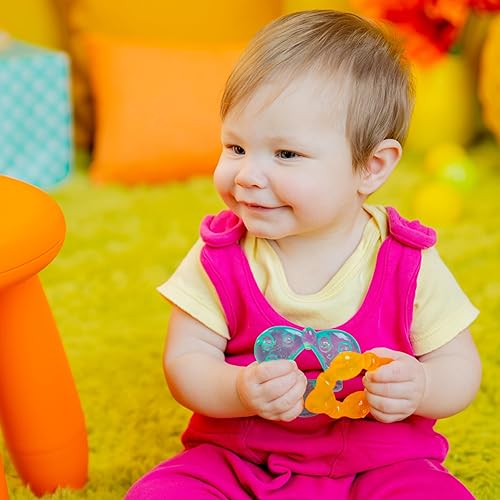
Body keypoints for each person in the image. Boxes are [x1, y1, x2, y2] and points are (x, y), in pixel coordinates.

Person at [126, 9, 481, 499]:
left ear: (371, 166)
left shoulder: (407, 260)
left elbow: (460, 367)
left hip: (382, 461)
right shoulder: (220, 256)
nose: (247, 175)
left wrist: (421, 385)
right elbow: (186, 360)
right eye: (235, 147)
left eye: (286, 154)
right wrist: (238, 390)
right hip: (240, 457)